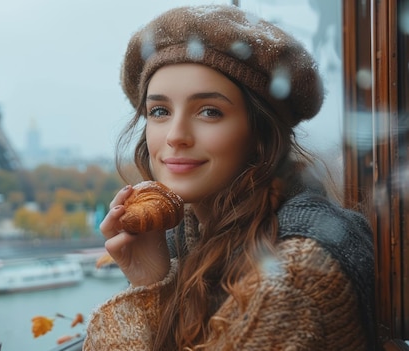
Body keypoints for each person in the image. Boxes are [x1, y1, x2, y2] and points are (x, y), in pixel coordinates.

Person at [83, 4, 375, 351]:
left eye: (210, 111)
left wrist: (145, 298)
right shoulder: (190, 238)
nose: (175, 135)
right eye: (159, 111)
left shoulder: (292, 274)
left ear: (261, 135)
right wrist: (151, 280)